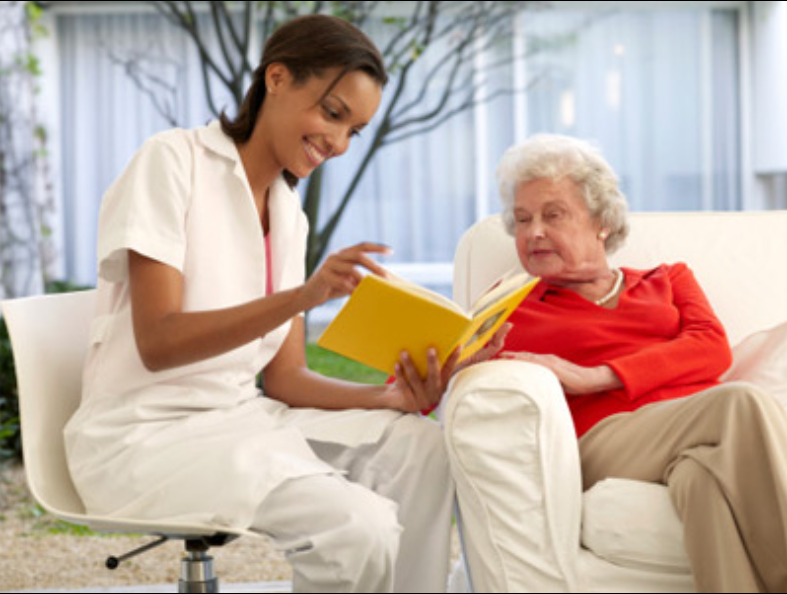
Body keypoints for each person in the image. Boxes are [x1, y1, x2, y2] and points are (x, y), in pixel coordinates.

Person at [64, 15, 458, 593]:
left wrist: (387, 398)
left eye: (356, 130)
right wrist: (302, 297)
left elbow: (286, 378)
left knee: (423, 449)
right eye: (333, 113)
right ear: (277, 78)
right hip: (144, 437)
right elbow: (158, 342)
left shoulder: (288, 213)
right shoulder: (172, 162)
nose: (340, 143)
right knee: (359, 528)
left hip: (241, 422)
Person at [447, 133, 787, 592]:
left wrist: (595, 376)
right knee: (741, 403)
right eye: (523, 220)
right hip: (602, 441)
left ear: (601, 222)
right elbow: (429, 377)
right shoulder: (512, 303)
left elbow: (711, 348)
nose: (533, 233)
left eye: (553, 215)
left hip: (695, 433)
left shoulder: (668, 280)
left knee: (703, 482)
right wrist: (463, 362)